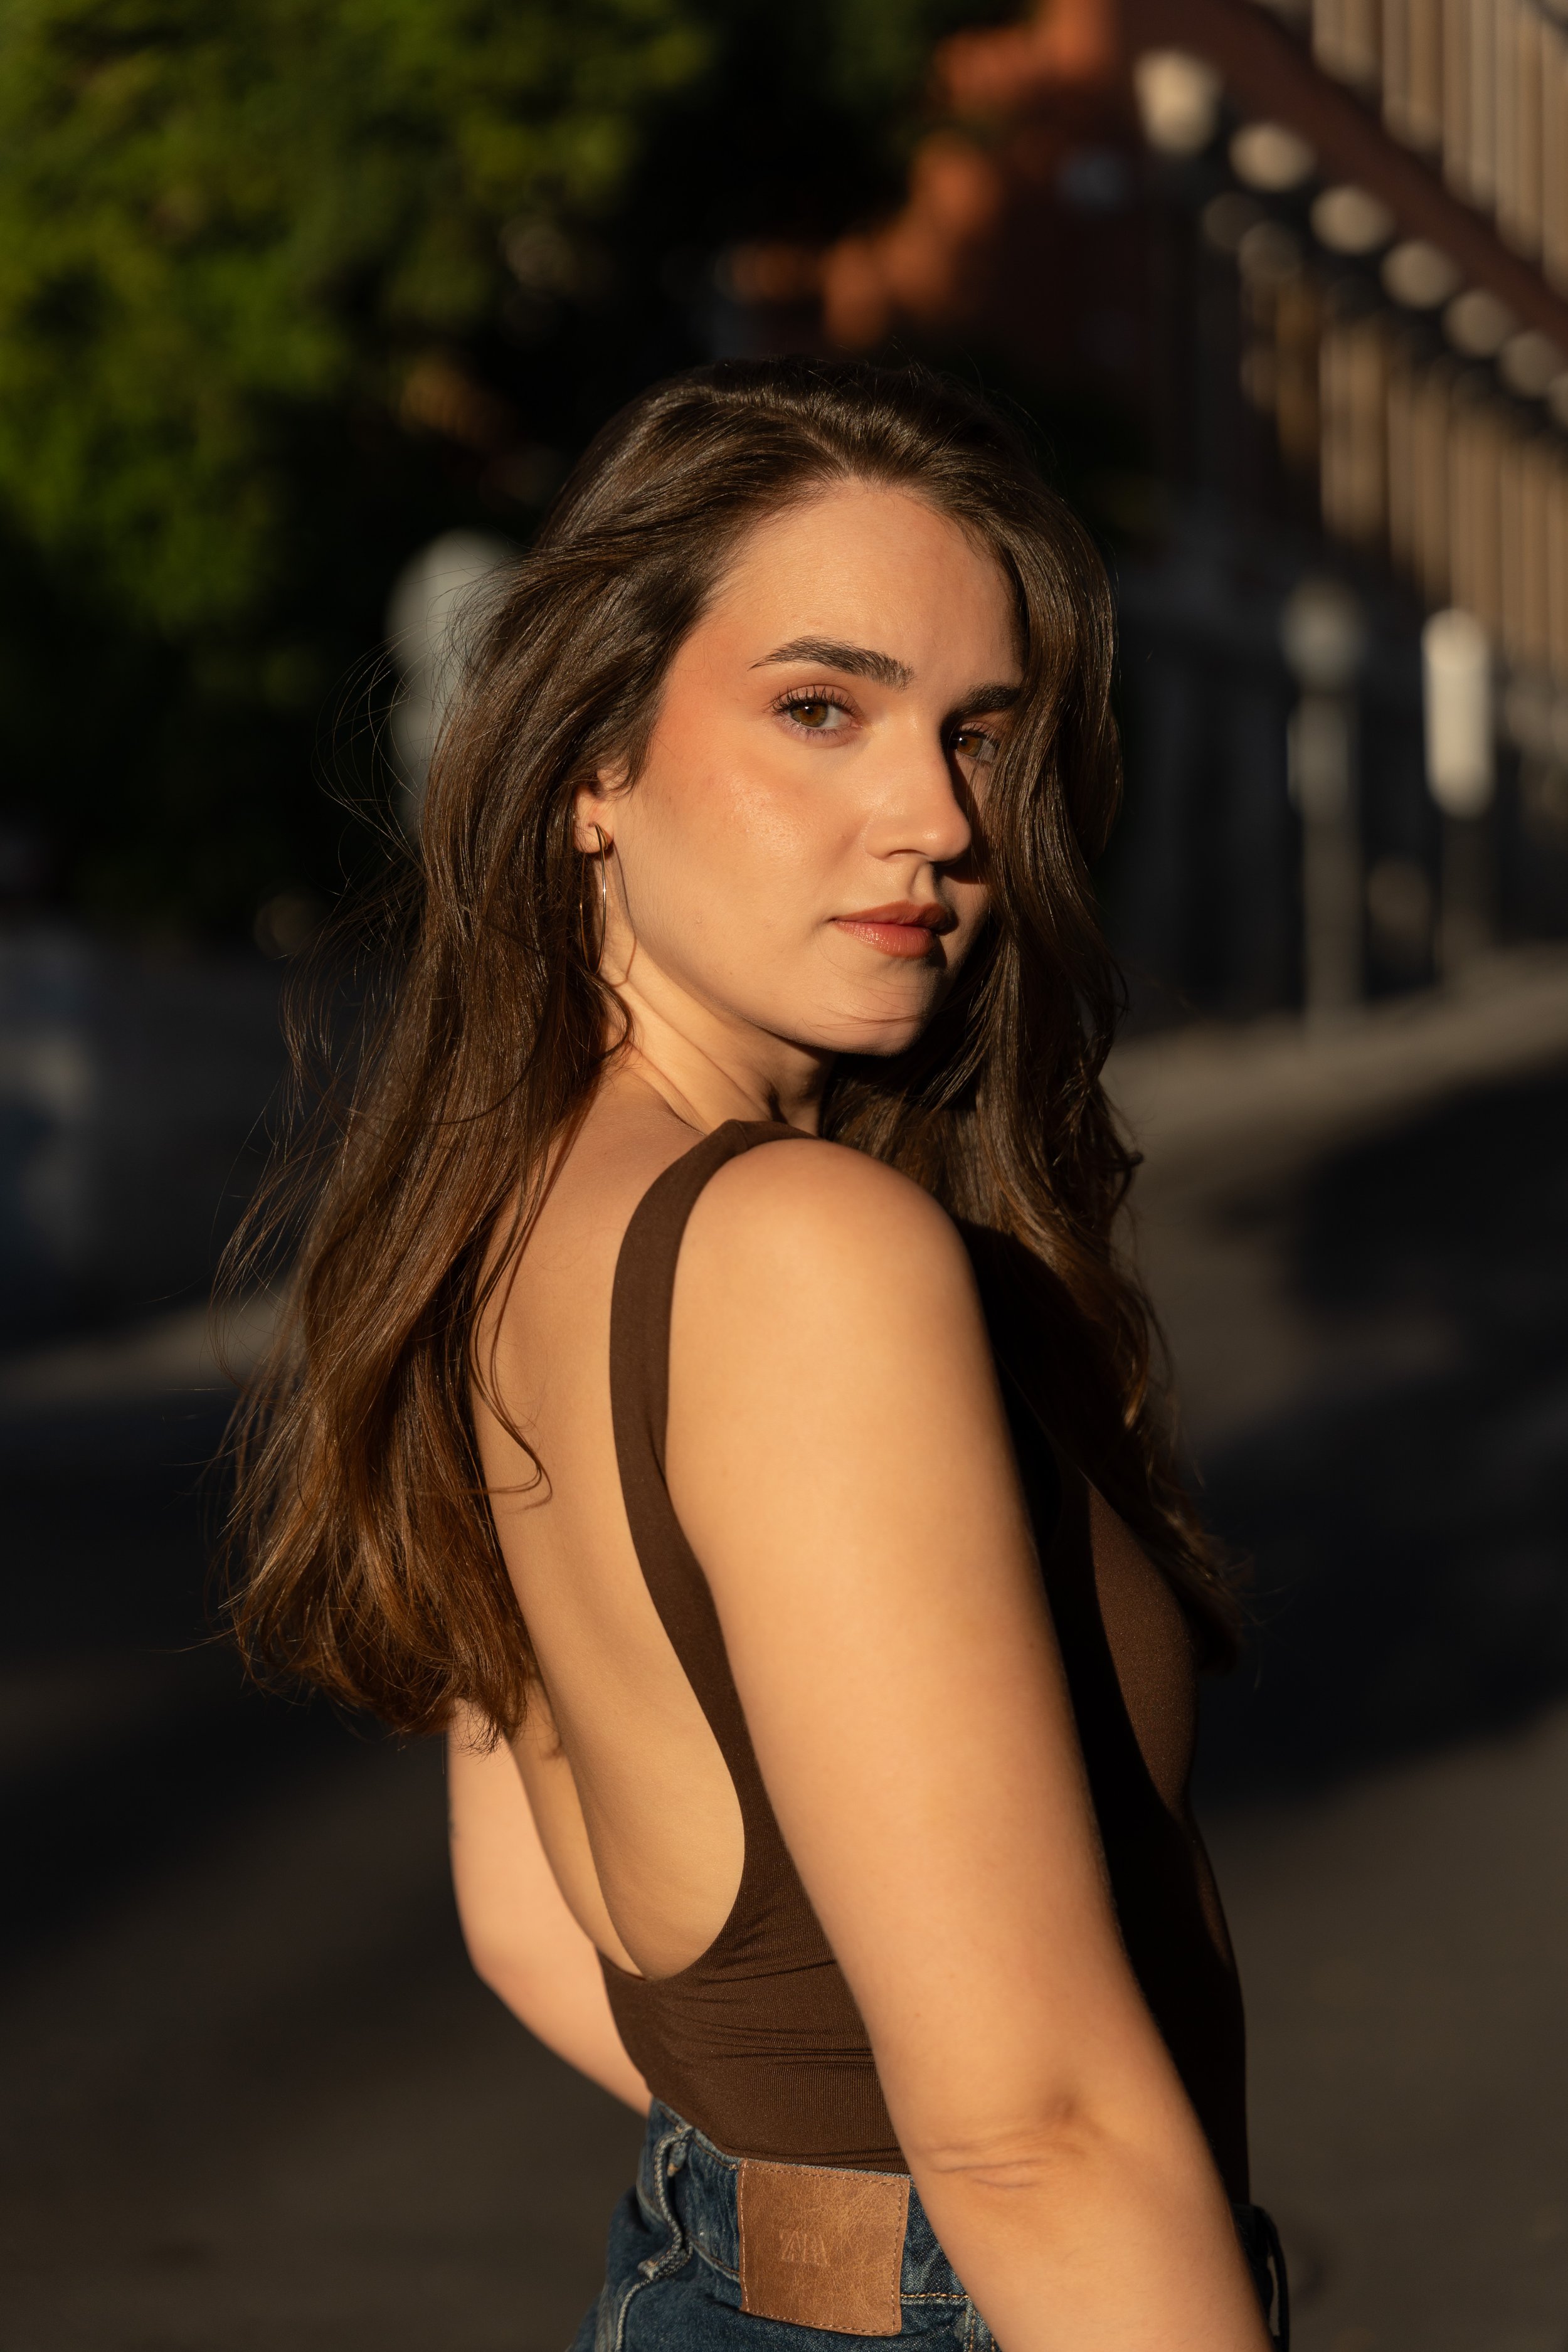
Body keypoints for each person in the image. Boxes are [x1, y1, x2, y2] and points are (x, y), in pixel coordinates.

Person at [227, 358, 1286, 2349]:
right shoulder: (805, 1251)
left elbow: (543, 1928)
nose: (939, 818)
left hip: (711, 2273)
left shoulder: (498, 1214)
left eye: (982, 732)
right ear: (587, 767)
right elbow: (1033, 2135)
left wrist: (788, 2222)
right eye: (822, 708)